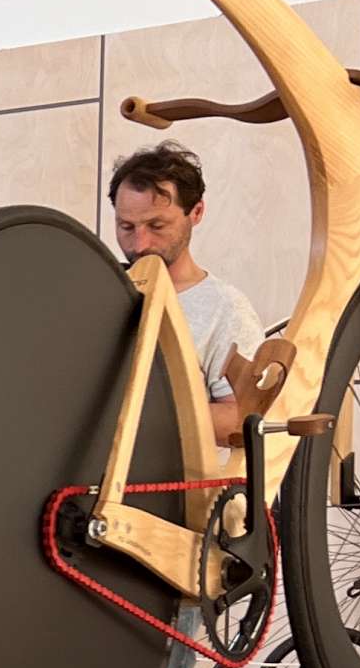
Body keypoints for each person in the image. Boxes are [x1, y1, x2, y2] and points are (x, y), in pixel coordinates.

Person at [110, 143, 264, 447]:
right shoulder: (98, 294)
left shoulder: (225, 308)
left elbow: (241, 421)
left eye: (157, 225)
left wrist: (133, 414)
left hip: (172, 476)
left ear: (196, 212)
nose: (140, 244)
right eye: (126, 226)